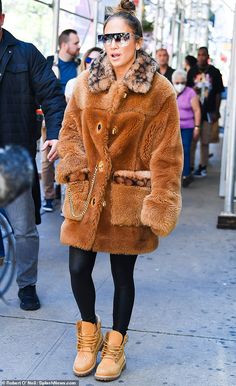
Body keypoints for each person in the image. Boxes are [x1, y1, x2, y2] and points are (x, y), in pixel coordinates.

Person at [56, 0, 183, 381]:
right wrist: (75, 167)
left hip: (129, 197)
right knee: (78, 267)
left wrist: (161, 199)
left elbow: (168, 154)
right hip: (87, 193)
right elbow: (69, 131)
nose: (113, 44)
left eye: (121, 37)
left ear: (138, 42)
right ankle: (88, 333)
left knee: (122, 274)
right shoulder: (85, 82)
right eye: (107, 37)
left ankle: (116, 343)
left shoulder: (160, 92)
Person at [0, 0, 66, 310]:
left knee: (24, 230)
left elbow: (52, 94)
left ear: (1, 18)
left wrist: (54, 133)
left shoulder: (25, 53)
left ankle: (27, 286)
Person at [41, 29, 81, 212]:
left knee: (69, 157)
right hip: (50, 119)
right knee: (47, 159)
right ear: (64, 45)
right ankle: (48, 197)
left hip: (72, 121)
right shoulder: (48, 64)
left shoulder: (80, 66)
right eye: (75, 43)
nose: (78, 46)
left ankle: (66, 196)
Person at [187, 47, 224, 177]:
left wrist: (216, 111)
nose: (201, 57)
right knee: (192, 141)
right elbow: (187, 92)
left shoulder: (214, 72)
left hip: (208, 112)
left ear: (208, 56)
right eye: (199, 55)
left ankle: (202, 167)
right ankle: (189, 166)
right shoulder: (192, 71)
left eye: (204, 55)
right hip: (193, 113)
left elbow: (219, 93)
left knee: (205, 141)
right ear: (197, 56)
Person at [172, 69, 201, 187]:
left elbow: (197, 110)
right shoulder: (169, 91)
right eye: (177, 82)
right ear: (173, 82)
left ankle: (186, 174)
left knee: (185, 149)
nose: (180, 85)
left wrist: (197, 127)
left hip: (188, 126)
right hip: (172, 126)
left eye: (182, 82)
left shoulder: (190, 93)